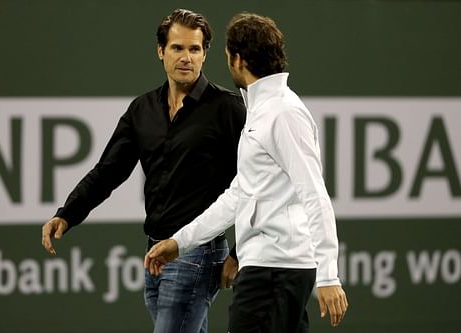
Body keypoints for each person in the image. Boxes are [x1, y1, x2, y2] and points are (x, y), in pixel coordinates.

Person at [41, 8, 246, 333]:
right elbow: (108, 171)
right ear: (160, 51)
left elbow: (259, 183)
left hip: (197, 253)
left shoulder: (229, 109)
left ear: (205, 54)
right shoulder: (143, 109)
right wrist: (67, 214)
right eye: (178, 48)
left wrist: (239, 252)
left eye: (195, 49)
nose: (186, 57)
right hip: (155, 251)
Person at [145, 12, 348, 333]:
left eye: (226, 56)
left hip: (275, 271)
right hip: (268, 267)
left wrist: (328, 276)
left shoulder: (282, 113)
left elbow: (314, 194)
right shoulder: (263, 111)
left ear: (238, 60)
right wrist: (180, 242)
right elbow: (240, 195)